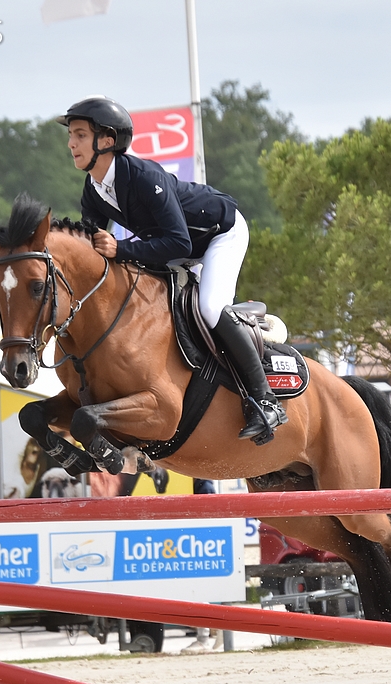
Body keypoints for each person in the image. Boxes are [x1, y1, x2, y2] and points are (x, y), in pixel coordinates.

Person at [57, 96, 288, 442]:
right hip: (176, 248)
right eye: (71, 136)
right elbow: (95, 251)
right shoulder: (94, 189)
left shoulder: (142, 176)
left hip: (218, 236)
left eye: (79, 135)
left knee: (209, 307)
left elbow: (177, 243)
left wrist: (121, 248)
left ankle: (266, 401)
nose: (71, 143)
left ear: (106, 140)